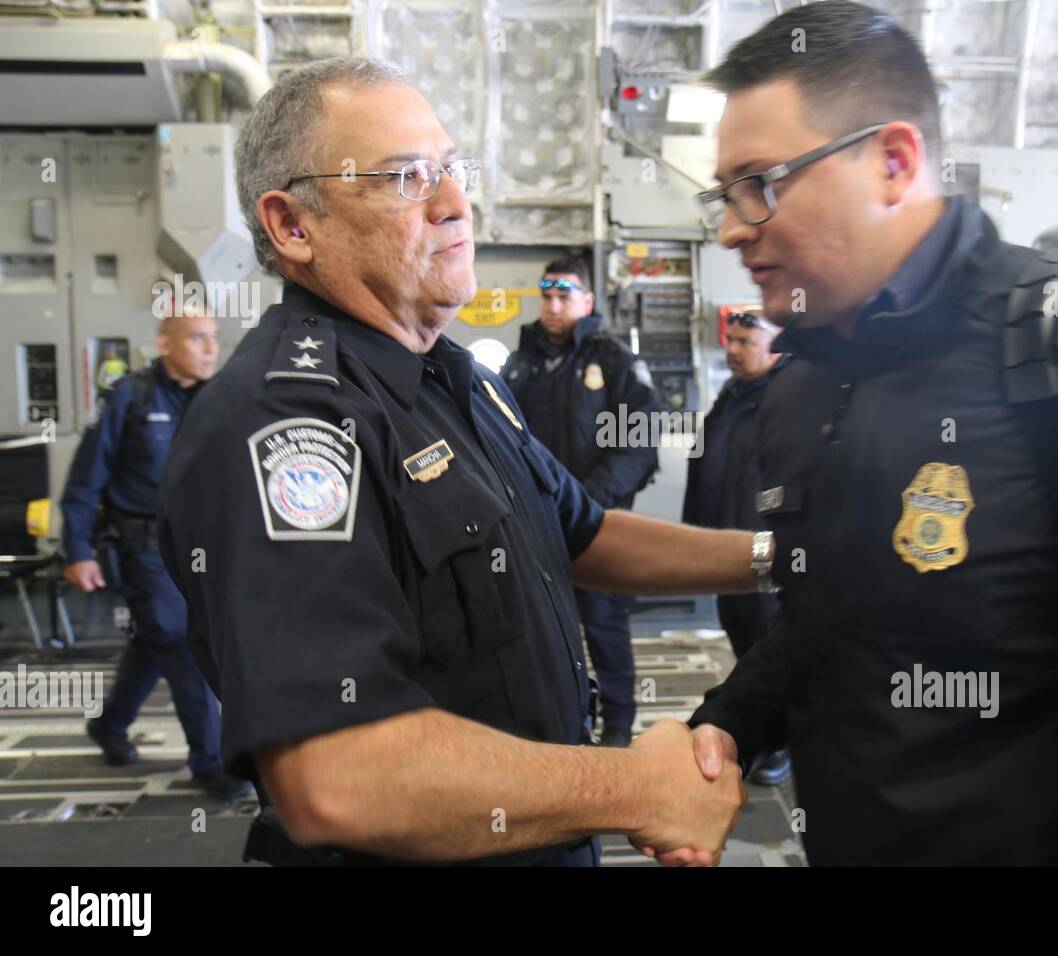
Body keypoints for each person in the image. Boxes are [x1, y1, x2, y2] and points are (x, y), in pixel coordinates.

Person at [672, 1, 1058, 866]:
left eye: (759, 184)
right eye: (724, 195)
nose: (734, 227)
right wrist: (730, 725)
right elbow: (831, 623)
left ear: (893, 163)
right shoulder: (803, 388)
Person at [157, 57, 764, 867]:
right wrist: (638, 788)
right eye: (408, 178)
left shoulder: (458, 380)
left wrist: (780, 559)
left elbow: (585, 534)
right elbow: (335, 775)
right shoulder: (286, 420)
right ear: (292, 225)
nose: (455, 204)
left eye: (452, 169)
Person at [60, 308, 250, 803]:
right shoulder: (131, 397)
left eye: (214, 338)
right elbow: (86, 479)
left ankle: (110, 724)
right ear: (165, 345)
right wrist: (78, 550)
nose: (211, 348)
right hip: (143, 546)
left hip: (203, 546)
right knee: (181, 643)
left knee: (153, 642)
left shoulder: (220, 399)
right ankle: (211, 762)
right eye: (197, 339)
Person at [501, 258, 660, 747]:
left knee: (604, 623)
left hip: (598, 524)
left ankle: (616, 724)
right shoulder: (520, 365)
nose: (553, 305)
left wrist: (584, 506)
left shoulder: (613, 362)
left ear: (587, 301)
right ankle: (562, 721)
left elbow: (638, 444)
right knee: (542, 626)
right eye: (546, 295)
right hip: (534, 527)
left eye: (564, 295)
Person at [682, 310, 790, 784]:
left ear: (778, 346)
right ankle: (760, 731)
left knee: (773, 645)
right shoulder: (732, 395)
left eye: (747, 340)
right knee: (744, 642)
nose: (733, 348)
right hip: (726, 551)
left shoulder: (789, 401)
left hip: (767, 554)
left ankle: (782, 745)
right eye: (731, 339)